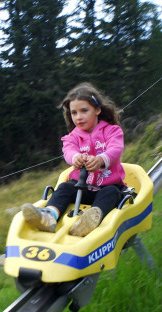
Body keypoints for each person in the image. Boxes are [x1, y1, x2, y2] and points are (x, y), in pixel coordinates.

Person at [22, 82, 126, 237]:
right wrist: (76, 158)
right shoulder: (72, 137)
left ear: (97, 110)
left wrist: (100, 160)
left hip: (107, 186)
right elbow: (68, 151)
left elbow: (115, 149)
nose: (79, 117)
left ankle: (89, 221)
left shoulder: (112, 131)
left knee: (111, 192)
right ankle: (49, 216)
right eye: (74, 113)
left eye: (84, 111)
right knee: (64, 188)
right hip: (82, 187)